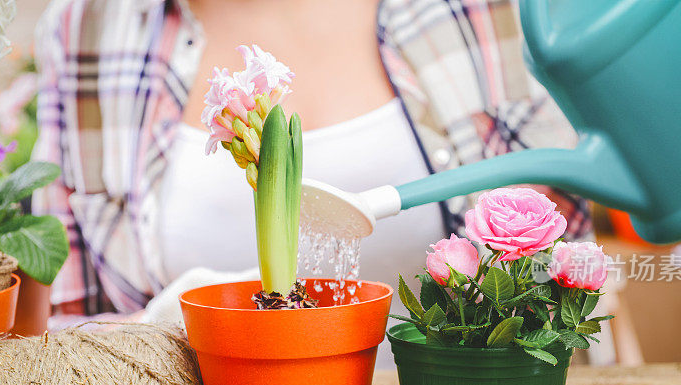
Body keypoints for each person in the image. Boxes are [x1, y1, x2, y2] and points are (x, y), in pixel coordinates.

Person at [32, 0, 593, 362]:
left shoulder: (479, 11)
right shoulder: (87, 27)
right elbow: (63, 327)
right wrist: (158, 328)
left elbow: (569, 236)